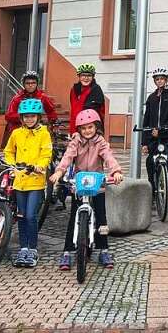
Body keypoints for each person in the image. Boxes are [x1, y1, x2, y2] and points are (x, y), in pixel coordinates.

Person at [51, 108, 124, 269]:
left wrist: (116, 171)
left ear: (96, 126)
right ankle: (67, 253)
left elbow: (108, 157)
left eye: (90, 127)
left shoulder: (101, 142)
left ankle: (104, 250)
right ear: (79, 130)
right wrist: (59, 171)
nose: (87, 131)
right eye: (83, 128)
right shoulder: (75, 142)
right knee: (73, 220)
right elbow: (68, 157)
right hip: (80, 184)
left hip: (97, 185)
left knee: (101, 218)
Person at [3, 98, 53, 268]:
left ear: (38, 117)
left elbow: (46, 153)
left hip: (36, 181)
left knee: (31, 215)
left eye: (32, 116)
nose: (29, 119)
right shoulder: (17, 133)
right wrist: (11, 164)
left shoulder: (44, 133)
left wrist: (41, 166)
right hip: (19, 181)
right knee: (22, 216)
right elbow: (8, 151)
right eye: (26, 117)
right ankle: (23, 248)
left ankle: (33, 248)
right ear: (21, 118)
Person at [142, 67, 168, 211]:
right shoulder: (152, 98)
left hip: (167, 137)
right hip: (153, 138)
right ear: (155, 81)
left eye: (162, 79)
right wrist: (144, 142)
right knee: (150, 164)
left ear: (166, 80)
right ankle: (153, 195)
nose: (160, 81)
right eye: (157, 79)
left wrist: (164, 128)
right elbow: (146, 120)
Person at [3, 71, 58, 141]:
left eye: (33, 83)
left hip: (37, 130)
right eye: (27, 83)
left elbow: (51, 111)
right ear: (23, 84)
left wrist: (52, 124)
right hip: (20, 130)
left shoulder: (42, 97)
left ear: (37, 84)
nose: (30, 85)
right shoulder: (17, 98)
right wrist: (24, 118)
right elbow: (9, 116)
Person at [68, 64, 106, 134]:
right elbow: (73, 108)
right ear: (79, 76)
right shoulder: (74, 90)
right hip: (75, 127)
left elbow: (95, 111)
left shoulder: (96, 89)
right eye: (83, 75)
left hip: (89, 129)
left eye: (89, 76)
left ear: (93, 77)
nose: (86, 78)